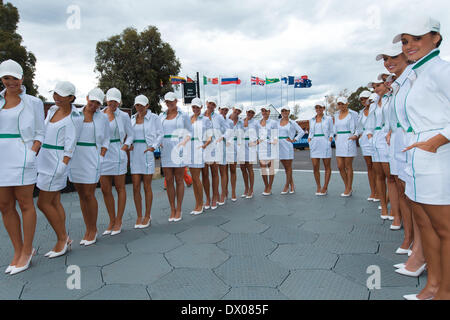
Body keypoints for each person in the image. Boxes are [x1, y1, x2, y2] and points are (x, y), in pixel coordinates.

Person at [393, 17, 450, 300]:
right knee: (426, 226)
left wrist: (437, 141)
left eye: (416, 38)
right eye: (405, 41)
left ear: (436, 37)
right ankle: (433, 286)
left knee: (445, 229)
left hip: (438, 158)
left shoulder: (441, 70)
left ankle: (446, 291)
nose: (409, 45)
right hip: (417, 159)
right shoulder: (417, 74)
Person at [0, 59, 44, 274]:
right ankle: (17, 251)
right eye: (6, 78)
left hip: (23, 157)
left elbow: (40, 132)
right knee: (5, 205)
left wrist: (31, 153)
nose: (10, 82)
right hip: (1, 159)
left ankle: (27, 250)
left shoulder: (34, 102)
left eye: (14, 78)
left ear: (21, 79)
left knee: (25, 203)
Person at [37, 81, 82, 259]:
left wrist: (62, 166)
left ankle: (62, 239)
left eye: (61, 95)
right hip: (44, 159)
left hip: (57, 163)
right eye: (55, 93)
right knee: (54, 202)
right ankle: (65, 237)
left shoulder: (73, 119)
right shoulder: (52, 110)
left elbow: (70, 146)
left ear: (71, 98)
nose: (56, 97)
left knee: (43, 203)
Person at [69, 88, 109, 246]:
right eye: (92, 101)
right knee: (81, 194)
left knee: (89, 193)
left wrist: (101, 156)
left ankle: (93, 229)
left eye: (97, 103)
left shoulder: (103, 118)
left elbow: (106, 139)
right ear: (86, 98)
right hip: (76, 156)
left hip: (92, 156)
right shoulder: (74, 114)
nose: (94, 105)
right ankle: (88, 228)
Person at [100, 88, 134, 236]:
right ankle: (111, 220)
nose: (112, 103)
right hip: (103, 154)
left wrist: (125, 146)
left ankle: (119, 220)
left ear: (119, 102)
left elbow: (131, 135)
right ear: (106, 100)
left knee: (120, 187)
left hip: (118, 153)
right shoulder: (99, 115)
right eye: (110, 100)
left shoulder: (124, 116)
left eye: (115, 100)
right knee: (105, 189)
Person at [130, 95, 162, 228]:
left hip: (147, 151)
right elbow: (128, 134)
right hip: (134, 153)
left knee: (146, 186)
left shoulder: (154, 118)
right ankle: (139, 216)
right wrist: (128, 143)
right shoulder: (132, 118)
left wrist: (153, 147)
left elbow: (160, 134)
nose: (139, 107)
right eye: (137, 105)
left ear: (147, 105)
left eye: (142, 105)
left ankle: (147, 215)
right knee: (135, 186)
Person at [159, 92, 192, 222]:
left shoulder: (183, 115)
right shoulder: (161, 116)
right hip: (165, 150)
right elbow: (158, 132)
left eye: (171, 101)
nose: (169, 103)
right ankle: (172, 208)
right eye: (167, 101)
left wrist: (183, 143)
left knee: (179, 179)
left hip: (179, 149)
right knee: (168, 179)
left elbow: (189, 132)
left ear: (176, 101)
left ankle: (179, 209)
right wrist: (158, 142)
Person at [188, 98, 212, 215]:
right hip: (190, 150)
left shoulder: (206, 119)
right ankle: (197, 204)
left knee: (197, 177)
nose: (195, 109)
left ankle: (201, 204)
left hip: (199, 149)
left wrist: (204, 145)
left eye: (197, 107)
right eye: (193, 107)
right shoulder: (188, 119)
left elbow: (210, 136)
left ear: (201, 107)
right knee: (193, 177)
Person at [202, 97, 227, 209]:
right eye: (209, 103)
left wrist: (222, 138)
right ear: (206, 103)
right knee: (205, 174)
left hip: (215, 147)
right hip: (203, 148)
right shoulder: (200, 116)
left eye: (213, 104)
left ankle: (215, 197)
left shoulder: (219, 117)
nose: (210, 106)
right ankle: (207, 198)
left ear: (215, 106)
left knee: (214, 172)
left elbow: (227, 130)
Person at [334, 97, 358, 197]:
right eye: (339, 104)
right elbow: (334, 128)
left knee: (348, 166)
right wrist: (335, 136)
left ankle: (348, 188)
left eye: (343, 104)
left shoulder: (353, 114)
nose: (341, 106)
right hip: (339, 141)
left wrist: (355, 135)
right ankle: (347, 186)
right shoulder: (336, 115)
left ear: (347, 104)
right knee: (340, 166)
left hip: (349, 139)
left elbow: (358, 127)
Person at [277, 106, 305, 194]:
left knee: (288, 167)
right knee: (286, 167)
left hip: (287, 145)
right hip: (279, 145)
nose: (284, 112)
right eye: (283, 111)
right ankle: (292, 184)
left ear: (289, 112)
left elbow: (301, 132)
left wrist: (294, 139)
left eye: (286, 111)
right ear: (281, 112)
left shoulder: (292, 123)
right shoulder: (277, 122)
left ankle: (286, 186)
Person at [308, 101, 333, 196]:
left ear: (323, 108)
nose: (318, 109)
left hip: (325, 142)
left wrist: (329, 140)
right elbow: (311, 132)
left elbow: (332, 131)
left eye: (320, 107)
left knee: (327, 166)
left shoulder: (329, 119)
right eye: (316, 107)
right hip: (314, 143)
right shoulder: (311, 120)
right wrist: (310, 140)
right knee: (315, 166)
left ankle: (325, 187)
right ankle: (318, 186)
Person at [357, 91, 378, 201]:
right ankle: (373, 191)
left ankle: (380, 192)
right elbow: (359, 127)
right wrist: (359, 136)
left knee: (378, 167)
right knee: (369, 166)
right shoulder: (361, 112)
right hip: (365, 140)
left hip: (376, 137)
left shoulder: (376, 108)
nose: (364, 101)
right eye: (362, 99)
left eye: (366, 98)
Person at [256, 106, 279, 196]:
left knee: (271, 168)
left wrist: (273, 142)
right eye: (262, 110)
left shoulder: (273, 122)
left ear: (269, 112)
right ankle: (266, 186)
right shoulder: (257, 123)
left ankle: (270, 186)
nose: (264, 112)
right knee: (263, 168)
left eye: (266, 111)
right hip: (261, 148)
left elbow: (275, 135)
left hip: (270, 147)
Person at [239, 106, 258, 198]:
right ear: (246, 112)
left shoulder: (255, 122)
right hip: (242, 146)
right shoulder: (241, 121)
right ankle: (246, 188)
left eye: (252, 112)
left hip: (250, 147)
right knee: (242, 168)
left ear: (254, 114)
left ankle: (251, 189)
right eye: (249, 112)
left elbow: (262, 134)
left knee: (249, 167)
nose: (250, 114)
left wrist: (255, 142)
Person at [226, 105, 244, 202]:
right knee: (224, 172)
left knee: (233, 170)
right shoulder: (224, 119)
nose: (237, 112)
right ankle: (225, 191)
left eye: (239, 111)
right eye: (236, 109)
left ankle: (233, 192)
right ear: (233, 109)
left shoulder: (241, 122)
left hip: (234, 149)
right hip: (224, 148)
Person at [218, 104, 233, 204]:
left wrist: (223, 137)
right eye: (222, 109)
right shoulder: (214, 119)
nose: (224, 111)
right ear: (219, 109)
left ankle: (223, 193)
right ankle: (223, 191)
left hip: (224, 147)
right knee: (217, 172)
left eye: (226, 110)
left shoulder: (230, 122)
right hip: (213, 148)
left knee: (224, 171)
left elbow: (230, 133)